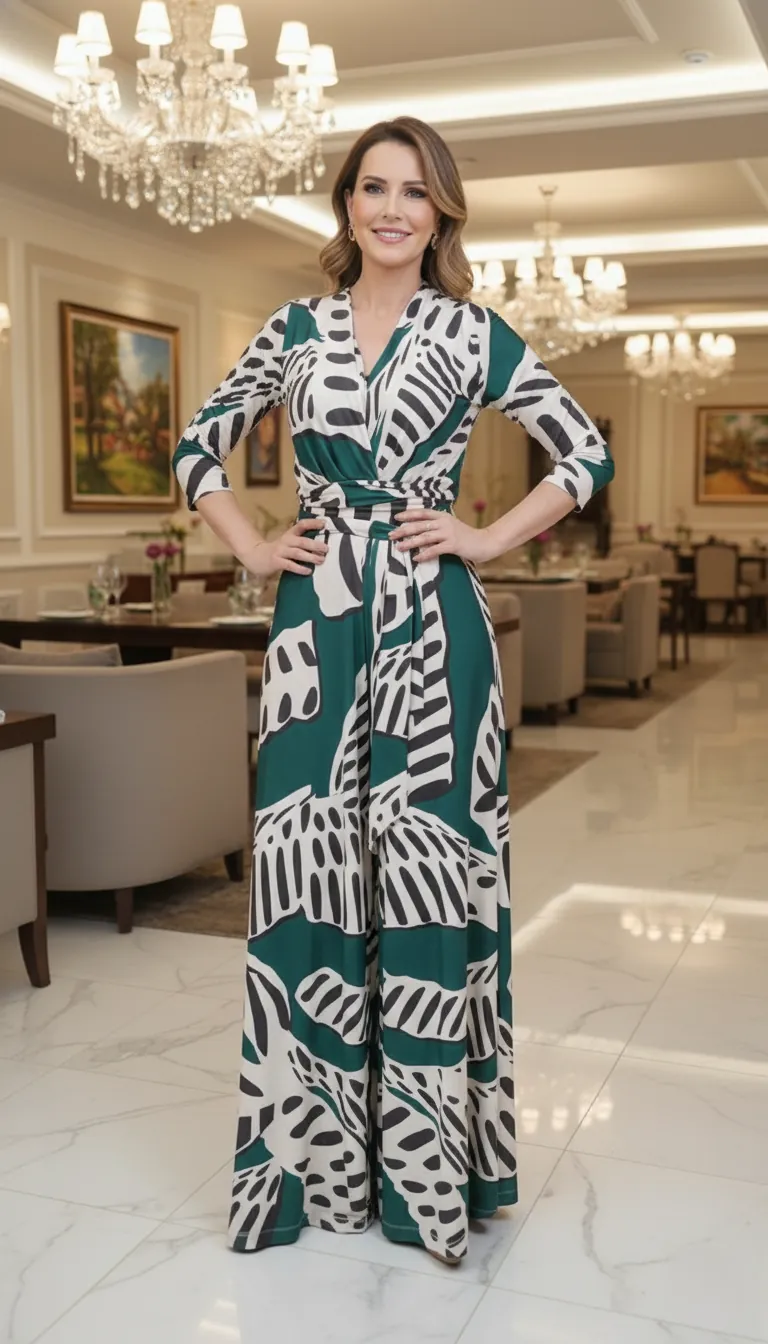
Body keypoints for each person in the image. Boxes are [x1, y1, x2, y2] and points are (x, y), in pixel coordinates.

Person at [173, 115, 614, 1263]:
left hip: (434, 628)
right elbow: (198, 447)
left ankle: (426, 1182)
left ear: (441, 212)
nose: (392, 209)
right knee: (304, 872)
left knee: (425, 880)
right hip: (317, 631)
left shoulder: (471, 332)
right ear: (347, 203)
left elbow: (583, 453)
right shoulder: (294, 329)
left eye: (415, 192)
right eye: (373, 187)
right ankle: (309, 1177)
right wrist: (254, 547)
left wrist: (484, 538)